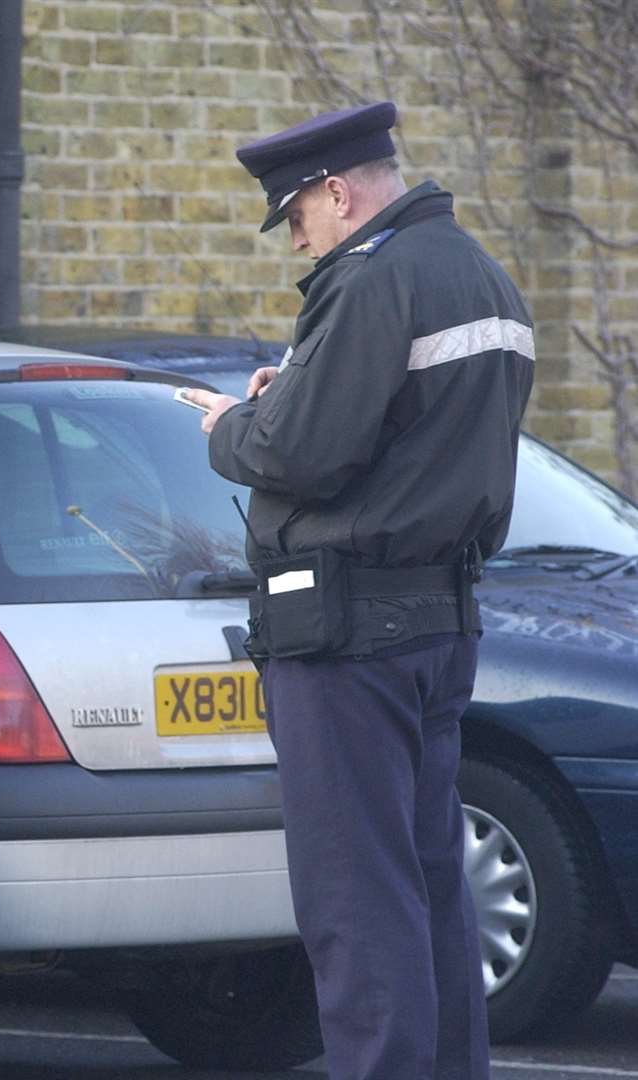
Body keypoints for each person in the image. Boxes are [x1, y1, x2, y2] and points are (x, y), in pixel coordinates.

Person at [180, 101, 534, 1080]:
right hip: (436, 618)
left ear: (337, 193)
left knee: (352, 900)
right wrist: (286, 398)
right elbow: (398, 435)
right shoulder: (482, 276)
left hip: (344, 634)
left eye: (294, 216)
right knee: (427, 885)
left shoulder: (369, 282)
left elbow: (300, 449)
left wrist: (229, 427)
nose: (294, 238)